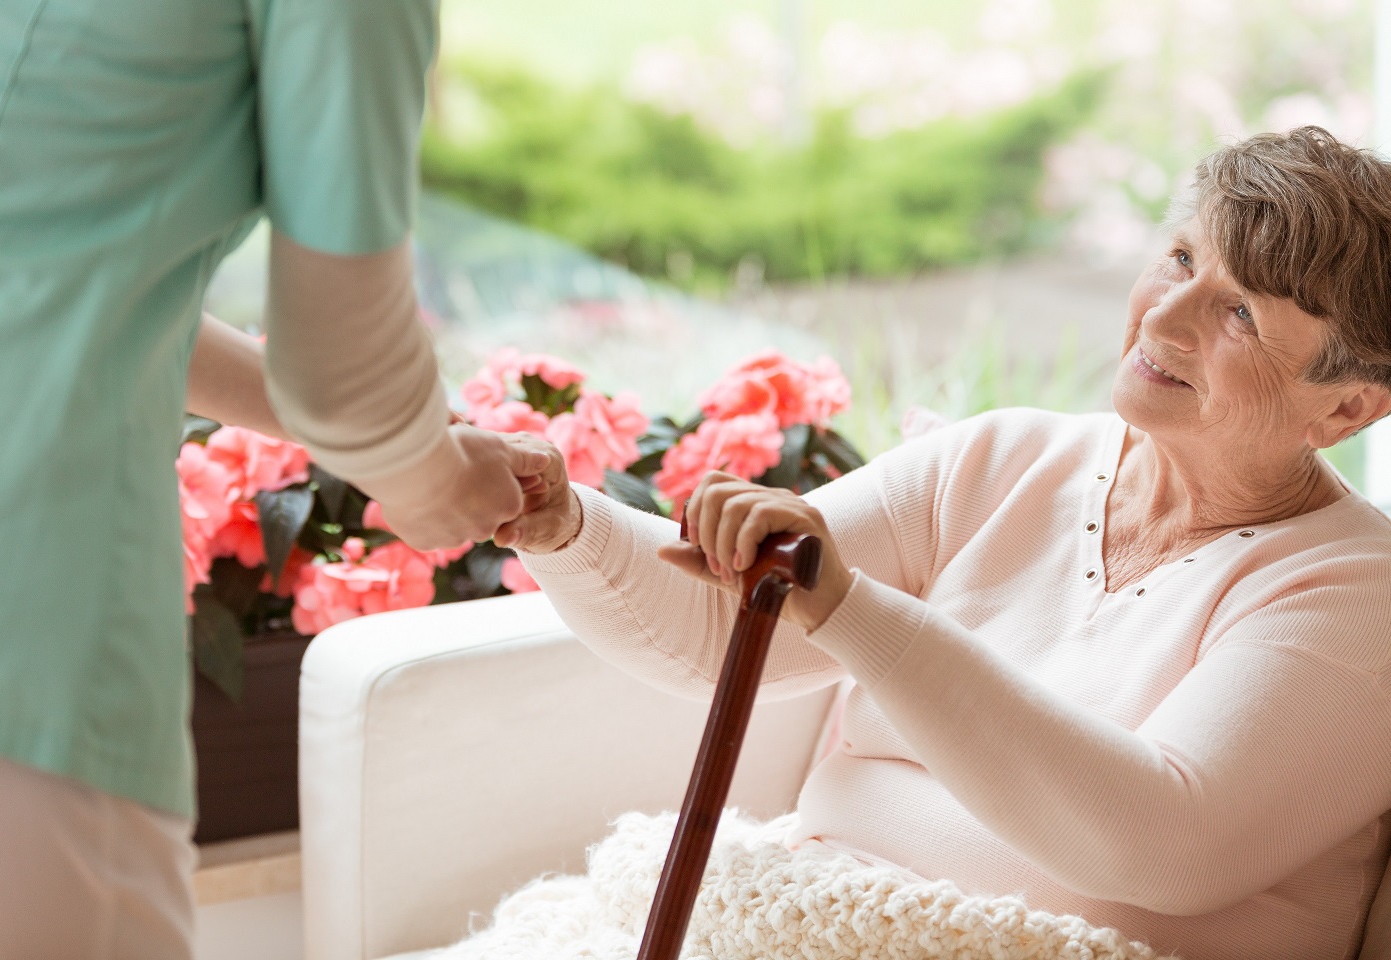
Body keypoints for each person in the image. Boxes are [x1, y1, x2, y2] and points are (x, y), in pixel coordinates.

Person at [495, 126, 1391, 960]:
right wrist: (558, 519)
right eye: (1182, 258)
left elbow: (1161, 844)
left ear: (1348, 406)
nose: (1164, 319)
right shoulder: (1002, 458)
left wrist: (852, 609)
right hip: (806, 916)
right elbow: (716, 632)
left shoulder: (1357, 591)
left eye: (1239, 312)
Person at [0, 2, 545, 957]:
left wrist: (394, 442)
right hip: (7, 609)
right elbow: (347, 368)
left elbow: (57, 266)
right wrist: (432, 479)